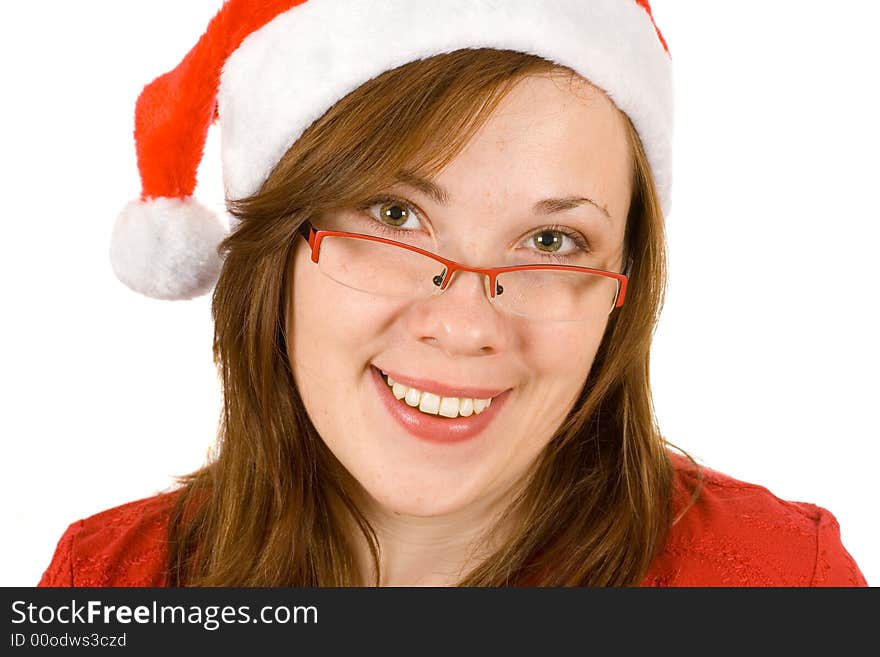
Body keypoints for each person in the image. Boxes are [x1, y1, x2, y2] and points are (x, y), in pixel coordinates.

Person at [38, 0, 866, 587]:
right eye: (396, 216)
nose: (466, 325)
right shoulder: (107, 586)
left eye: (552, 242)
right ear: (277, 251)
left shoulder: (784, 582)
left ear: (624, 286)